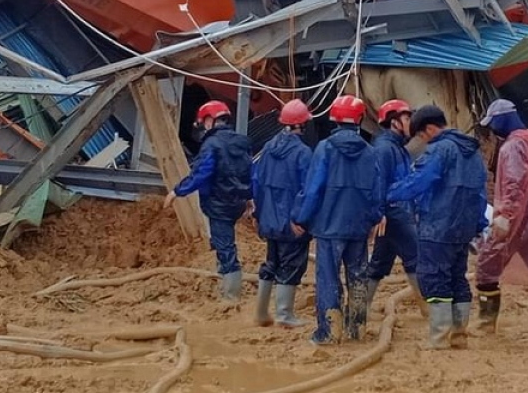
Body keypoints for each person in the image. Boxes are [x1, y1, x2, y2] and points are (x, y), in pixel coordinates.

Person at [389, 104, 488, 350]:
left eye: (422, 136)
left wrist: (388, 193)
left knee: (434, 278)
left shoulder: (440, 149)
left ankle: (438, 338)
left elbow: (421, 181)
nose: (422, 142)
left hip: (437, 226)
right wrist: (478, 223)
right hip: (463, 229)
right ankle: (459, 334)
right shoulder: (473, 152)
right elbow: (480, 192)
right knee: (457, 278)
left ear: (431, 128)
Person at [292, 95, 384, 345]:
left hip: (329, 227)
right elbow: (377, 193)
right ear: (359, 119)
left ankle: (329, 332)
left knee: (328, 278)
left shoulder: (325, 148)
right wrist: (374, 218)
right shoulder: (370, 152)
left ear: (334, 118)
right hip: (358, 227)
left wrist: (300, 217)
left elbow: (313, 189)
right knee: (357, 275)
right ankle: (358, 328)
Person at [474, 98, 528, 333]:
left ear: (502, 120)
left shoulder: (512, 146)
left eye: (493, 123)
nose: (492, 129)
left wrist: (505, 216)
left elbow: (513, 183)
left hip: (516, 220)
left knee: (486, 265)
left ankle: (486, 324)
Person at [164, 100, 252, 300]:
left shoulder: (211, 145)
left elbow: (201, 173)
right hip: (237, 202)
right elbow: (248, 173)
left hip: (219, 205)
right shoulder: (242, 141)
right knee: (223, 242)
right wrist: (249, 198)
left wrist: (177, 192)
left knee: (225, 246)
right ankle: (225, 281)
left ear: (210, 120)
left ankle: (231, 296)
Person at [250, 99, 313, 328]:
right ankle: (284, 315)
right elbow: (308, 190)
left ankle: (260, 312)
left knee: (271, 262)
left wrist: (257, 216)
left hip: (269, 219)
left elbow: (256, 182)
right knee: (292, 264)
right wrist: (301, 219)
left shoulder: (268, 148)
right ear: (302, 124)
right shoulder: (303, 153)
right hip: (291, 222)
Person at [365, 99, 424, 314]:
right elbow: (378, 182)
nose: (412, 123)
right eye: (407, 118)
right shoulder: (384, 149)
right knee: (416, 257)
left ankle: (359, 309)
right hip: (394, 213)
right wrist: (379, 212)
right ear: (394, 122)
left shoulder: (397, 148)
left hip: (395, 213)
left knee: (379, 263)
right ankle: (429, 309)